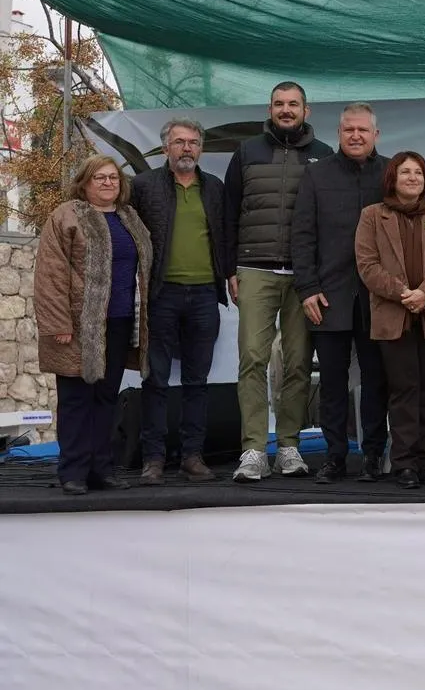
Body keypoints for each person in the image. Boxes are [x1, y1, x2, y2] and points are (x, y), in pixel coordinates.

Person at [224, 81, 332, 483]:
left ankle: (288, 445)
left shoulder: (323, 156)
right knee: (252, 358)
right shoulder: (247, 151)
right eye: (279, 104)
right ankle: (253, 450)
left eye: (293, 104)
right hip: (254, 268)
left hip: (304, 276)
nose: (286, 110)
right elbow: (229, 211)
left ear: (307, 110)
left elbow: (329, 221)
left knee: (299, 362)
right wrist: (229, 269)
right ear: (269, 109)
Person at [34, 155, 153, 495]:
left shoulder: (129, 217)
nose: (107, 183)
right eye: (99, 177)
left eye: (113, 178)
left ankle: (102, 469)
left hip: (118, 322)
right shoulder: (67, 215)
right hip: (76, 325)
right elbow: (50, 274)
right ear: (84, 182)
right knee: (75, 399)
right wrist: (59, 322)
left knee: (105, 398)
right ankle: (72, 471)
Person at [291, 103, 391, 484]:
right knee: (331, 383)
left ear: (375, 135)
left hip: (379, 300)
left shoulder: (390, 174)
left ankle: (372, 455)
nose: (355, 136)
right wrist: (308, 289)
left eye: (363, 130)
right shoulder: (316, 175)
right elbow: (302, 236)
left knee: (376, 380)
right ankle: (334, 456)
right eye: (349, 129)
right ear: (339, 133)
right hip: (328, 298)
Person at [355, 152, 425, 488]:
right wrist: (405, 294)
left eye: (418, 172)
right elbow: (368, 266)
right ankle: (403, 463)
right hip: (393, 316)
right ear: (393, 178)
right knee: (403, 391)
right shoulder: (372, 216)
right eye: (406, 172)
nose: (413, 177)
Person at [131, 119, 228, 484]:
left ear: (200, 148)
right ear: (165, 148)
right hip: (161, 294)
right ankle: (153, 459)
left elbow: (226, 237)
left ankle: (192, 456)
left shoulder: (214, 188)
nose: (186, 148)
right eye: (178, 142)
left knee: (196, 381)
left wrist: (229, 277)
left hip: (205, 294)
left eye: (192, 142)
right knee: (155, 379)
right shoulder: (142, 186)